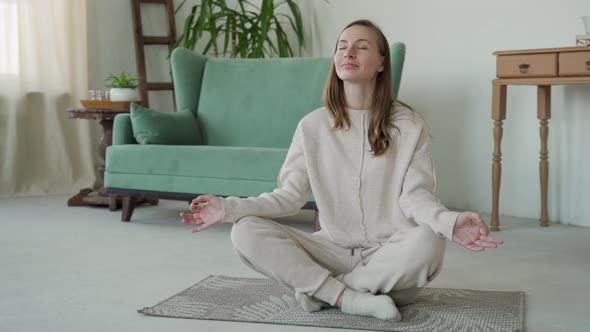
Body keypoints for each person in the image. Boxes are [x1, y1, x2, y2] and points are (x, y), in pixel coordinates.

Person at [180, 19, 504, 321]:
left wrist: (449, 221)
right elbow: (289, 197)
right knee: (245, 231)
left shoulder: (408, 124)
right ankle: (350, 298)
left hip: (388, 258)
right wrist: (230, 207)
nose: (348, 52)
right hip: (330, 250)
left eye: (361, 46)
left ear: (381, 63)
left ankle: (324, 292)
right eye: (342, 46)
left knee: (430, 241)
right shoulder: (311, 126)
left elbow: (416, 197)